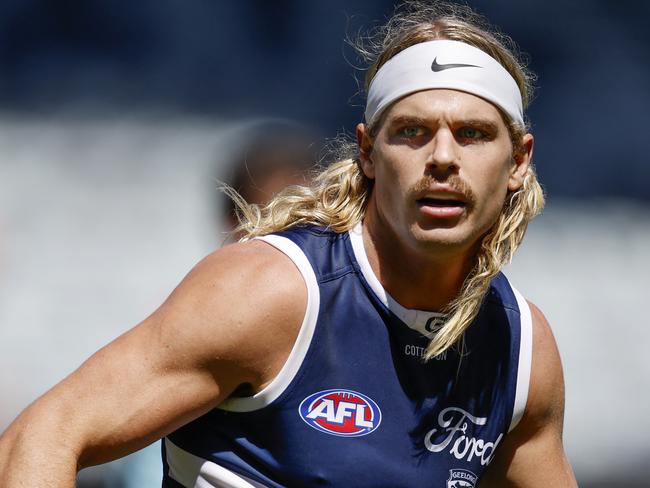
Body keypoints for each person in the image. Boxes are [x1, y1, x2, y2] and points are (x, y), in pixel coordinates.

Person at [0, 1, 577, 486]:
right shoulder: (273, 294)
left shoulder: (520, 348)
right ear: (370, 154)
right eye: (413, 132)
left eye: (473, 135)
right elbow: (41, 437)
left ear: (518, 161)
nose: (444, 159)